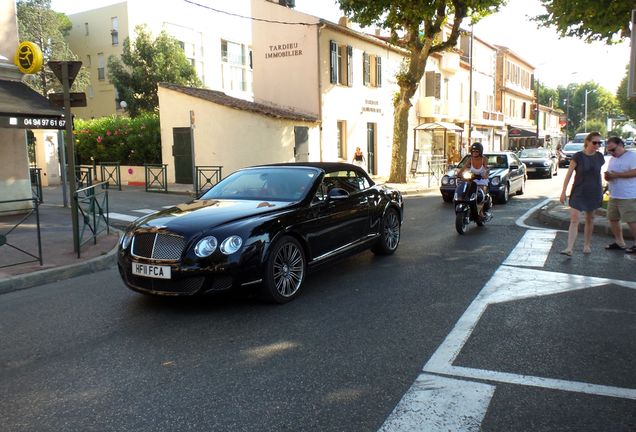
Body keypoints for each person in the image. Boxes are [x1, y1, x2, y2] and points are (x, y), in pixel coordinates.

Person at [559, 131, 605, 256]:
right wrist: (563, 192)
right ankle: (569, 248)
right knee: (574, 219)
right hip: (579, 191)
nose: (597, 145)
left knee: (590, 219)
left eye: (599, 143)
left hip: (594, 191)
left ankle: (586, 244)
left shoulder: (600, 157)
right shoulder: (578, 156)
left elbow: (600, 174)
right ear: (587, 142)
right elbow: (568, 174)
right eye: (594, 142)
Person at [603, 136, 636, 254]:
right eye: (609, 150)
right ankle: (619, 242)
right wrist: (607, 177)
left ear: (621, 145)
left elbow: (634, 171)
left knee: (631, 220)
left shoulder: (632, 156)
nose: (611, 153)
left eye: (613, 149)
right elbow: (610, 174)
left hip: (628, 195)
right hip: (614, 194)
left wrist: (617, 175)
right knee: (613, 218)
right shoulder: (612, 159)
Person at [459, 142, 491, 216]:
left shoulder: (484, 159)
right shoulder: (470, 159)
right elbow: (464, 167)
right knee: (466, 189)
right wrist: (459, 173)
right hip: (473, 178)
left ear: (480, 152)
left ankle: (481, 212)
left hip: (482, 179)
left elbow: (487, 168)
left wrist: (486, 174)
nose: (474, 152)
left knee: (481, 194)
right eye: (473, 151)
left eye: (477, 151)